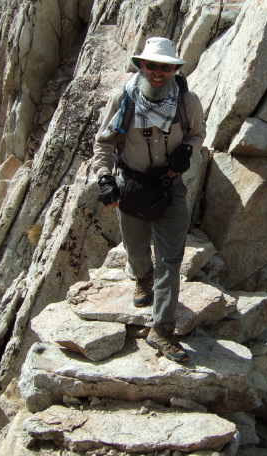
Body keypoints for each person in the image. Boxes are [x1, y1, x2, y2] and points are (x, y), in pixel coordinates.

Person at [93, 37, 206, 363]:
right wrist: (104, 178)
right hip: (133, 186)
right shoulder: (123, 99)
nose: (158, 72)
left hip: (170, 189)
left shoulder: (187, 101)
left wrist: (188, 150)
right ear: (141, 65)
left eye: (166, 67)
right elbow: (104, 144)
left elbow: (198, 133)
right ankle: (142, 279)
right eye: (152, 65)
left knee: (171, 261)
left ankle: (162, 330)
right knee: (136, 249)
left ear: (174, 70)